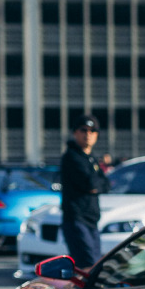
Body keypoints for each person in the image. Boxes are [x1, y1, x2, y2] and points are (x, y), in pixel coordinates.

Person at [60, 114, 109, 269]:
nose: (88, 134)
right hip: (76, 219)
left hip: (92, 220)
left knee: (95, 265)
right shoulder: (71, 157)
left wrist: (97, 185)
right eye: (83, 130)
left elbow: (106, 184)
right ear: (75, 133)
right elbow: (91, 184)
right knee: (86, 265)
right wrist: (96, 185)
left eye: (92, 130)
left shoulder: (91, 158)